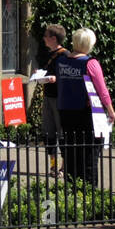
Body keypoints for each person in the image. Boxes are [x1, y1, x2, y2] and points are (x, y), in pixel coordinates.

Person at [51, 28, 115, 185]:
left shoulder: (61, 62)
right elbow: (102, 91)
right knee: (88, 154)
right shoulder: (90, 63)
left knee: (71, 152)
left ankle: (71, 187)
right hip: (85, 113)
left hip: (65, 111)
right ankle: (88, 190)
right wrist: (111, 111)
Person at [37, 24, 69, 171]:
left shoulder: (65, 55)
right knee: (48, 133)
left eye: (46, 36)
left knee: (61, 133)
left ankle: (64, 166)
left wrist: (55, 78)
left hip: (59, 98)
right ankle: (53, 166)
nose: (43, 38)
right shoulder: (48, 54)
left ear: (53, 38)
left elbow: (67, 76)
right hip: (48, 96)